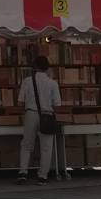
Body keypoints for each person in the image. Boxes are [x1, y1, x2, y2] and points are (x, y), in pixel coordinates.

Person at [17, 55, 61, 183]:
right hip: (47, 115)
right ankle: (42, 175)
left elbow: (20, 102)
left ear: (34, 67)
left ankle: (23, 172)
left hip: (31, 114)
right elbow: (57, 104)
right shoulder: (53, 83)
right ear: (47, 67)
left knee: (26, 145)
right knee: (46, 147)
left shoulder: (27, 81)